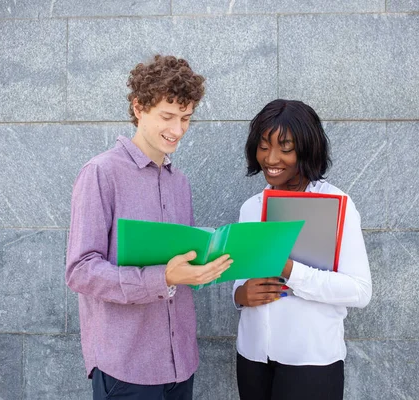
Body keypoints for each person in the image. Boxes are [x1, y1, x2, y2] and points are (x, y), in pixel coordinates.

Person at [66, 55, 232, 400]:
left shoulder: (179, 182)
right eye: (168, 117)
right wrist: (164, 277)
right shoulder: (101, 173)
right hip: (127, 366)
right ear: (139, 107)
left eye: (186, 118)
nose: (178, 129)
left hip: (180, 363)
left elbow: (180, 263)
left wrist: (208, 265)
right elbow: (80, 271)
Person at [232, 99, 372, 400]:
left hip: (311, 361)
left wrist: (290, 270)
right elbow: (240, 277)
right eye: (263, 145)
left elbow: (360, 291)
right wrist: (240, 295)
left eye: (286, 147)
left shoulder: (337, 205)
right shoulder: (251, 208)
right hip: (253, 356)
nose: (271, 158)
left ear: (307, 149)